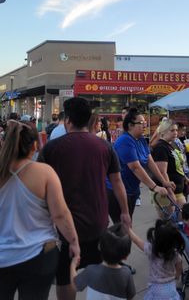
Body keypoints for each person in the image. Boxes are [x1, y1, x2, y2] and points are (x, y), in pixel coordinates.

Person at [38, 97, 131, 300]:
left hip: (62, 229)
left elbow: (38, 189)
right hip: (97, 224)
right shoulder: (104, 147)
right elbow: (117, 182)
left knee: (64, 277)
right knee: (99, 273)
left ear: (68, 120)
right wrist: (124, 212)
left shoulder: (52, 148)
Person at [0, 120, 80, 300]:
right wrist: (74, 242)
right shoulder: (45, 173)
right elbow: (60, 214)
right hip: (39, 257)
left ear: (5, 144)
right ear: (34, 146)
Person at [106, 107, 172, 225]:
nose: (145, 125)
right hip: (117, 192)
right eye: (141, 123)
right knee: (123, 227)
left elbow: (149, 161)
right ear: (130, 125)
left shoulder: (141, 139)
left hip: (131, 190)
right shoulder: (124, 141)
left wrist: (164, 181)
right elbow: (135, 167)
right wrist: (154, 187)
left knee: (127, 224)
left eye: (145, 122)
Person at [71, 223, 136, 299]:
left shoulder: (90, 270)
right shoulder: (126, 273)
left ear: (99, 247)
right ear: (126, 256)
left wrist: (72, 265)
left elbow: (75, 286)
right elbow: (130, 295)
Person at [129, 219, 184, 299]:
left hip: (155, 288)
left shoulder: (151, 250)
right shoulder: (175, 255)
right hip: (170, 288)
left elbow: (136, 240)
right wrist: (177, 276)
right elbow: (179, 267)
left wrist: (128, 229)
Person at [152, 119, 189, 210]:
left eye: (176, 130)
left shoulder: (170, 144)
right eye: (172, 130)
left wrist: (185, 178)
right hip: (167, 192)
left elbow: (177, 166)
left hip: (177, 190)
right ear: (163, 132)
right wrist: (170, 193)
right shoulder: (161, 147)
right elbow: (162, 172)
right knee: (169, 222)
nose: (175, 132)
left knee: (181, 219)